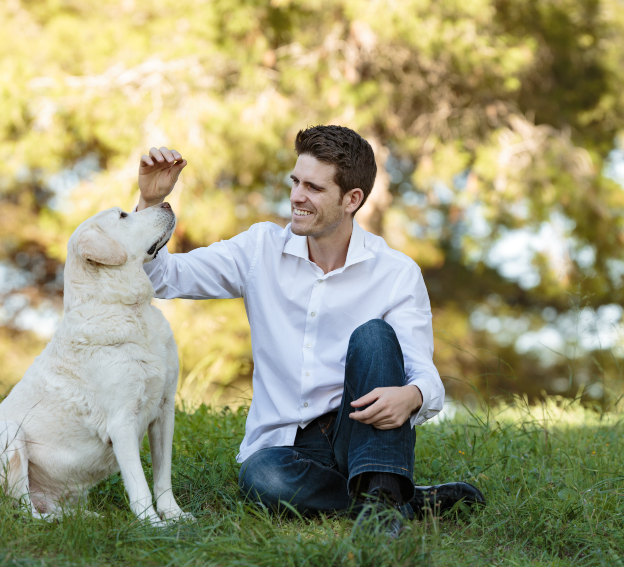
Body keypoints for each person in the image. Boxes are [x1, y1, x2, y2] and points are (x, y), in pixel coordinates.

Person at [135, 125, 485, 537]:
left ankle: (381, 499)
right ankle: (394, 499)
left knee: (374, 336)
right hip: (283, 448)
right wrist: (151, 203)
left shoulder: (396, 273)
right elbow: (163, 278)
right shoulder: (259, 249)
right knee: (263, 478)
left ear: (352, 199)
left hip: (357, 432)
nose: (297, 196)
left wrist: (413, 395)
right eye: (296, 182)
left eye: (314, 188)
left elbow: (424, 376)